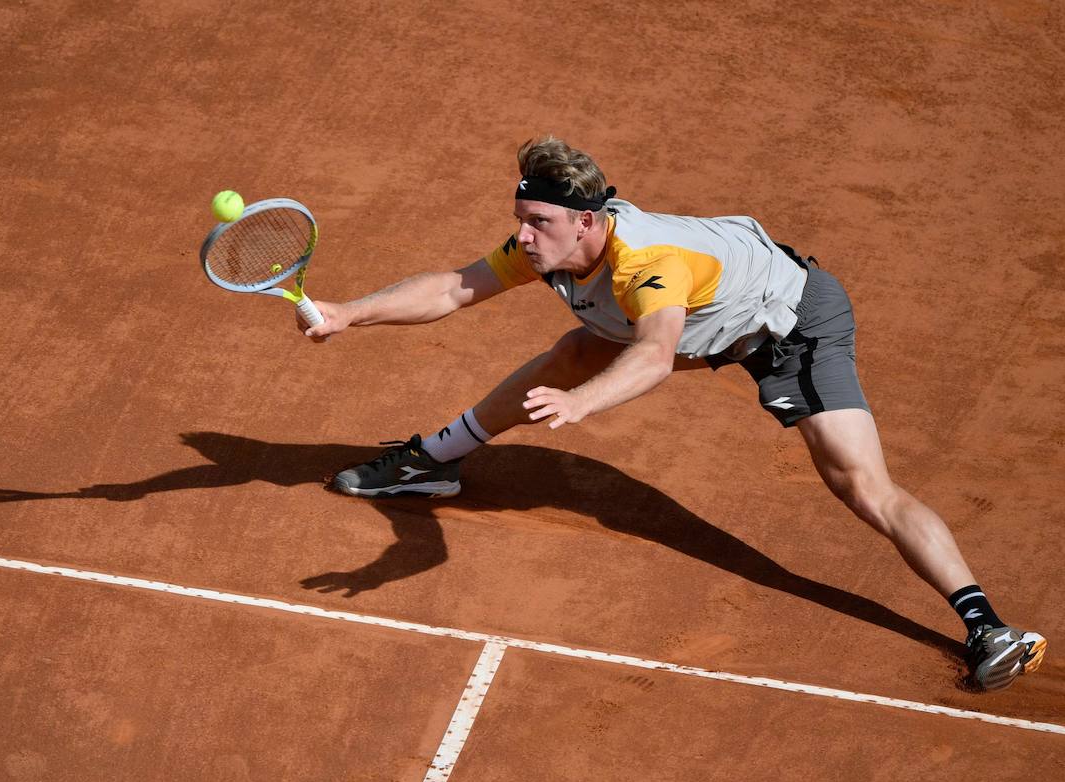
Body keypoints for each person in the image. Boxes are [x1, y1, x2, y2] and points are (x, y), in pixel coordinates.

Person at [299, 136, 1046, 692]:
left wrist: (580, 404)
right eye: (520, 219)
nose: (523, 236)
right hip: (711, 317)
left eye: (538, 222)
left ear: (587, 225)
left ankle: (987, 625)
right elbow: (453, 289)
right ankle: (434, 463)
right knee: (574, 348)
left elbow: (657, 354)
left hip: (789, 325)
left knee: (861, 485)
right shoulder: (553, 246)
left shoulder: (645, 266)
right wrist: (346, 313)